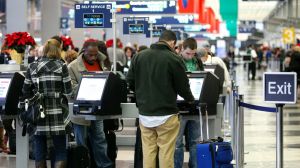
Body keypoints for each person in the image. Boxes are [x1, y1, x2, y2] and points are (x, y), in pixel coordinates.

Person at [127, 30, 194, 168]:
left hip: (145, 114)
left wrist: (142, 96)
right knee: (166, 152)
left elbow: (130, 81)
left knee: (148, 152)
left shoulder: (139, 56)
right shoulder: (174, 59)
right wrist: (191, 100)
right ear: (172, 43)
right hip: (167, 115)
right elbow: (183, 87)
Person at [21, 38, 72, 168]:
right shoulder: (62, 66)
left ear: (45, 50)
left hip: (39, 111)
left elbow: (25, 90)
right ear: (58, 50)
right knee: (60, 148)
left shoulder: (33, 66)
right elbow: (68, 91)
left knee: (40, 148)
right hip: (58, 111)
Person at [68, 39, 112, 168]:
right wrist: (90, 86)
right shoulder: (72, 67)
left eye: (95, 54)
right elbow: (71, 89)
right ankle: (82, 165)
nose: (93, 57)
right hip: (80, 111)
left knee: (100, 140)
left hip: (98, 110)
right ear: (83, 52)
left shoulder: (102, 63)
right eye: (90, 55)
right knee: (81, 143)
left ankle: (104, 165)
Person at [174, 38, 203, 168]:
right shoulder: (175, 61)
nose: (190, 56)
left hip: (195, 105)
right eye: (188, 53)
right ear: (181, 50)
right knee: (177, 142)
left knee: (196, 141)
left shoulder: (198, 61)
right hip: (179, 106)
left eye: (193, 53)